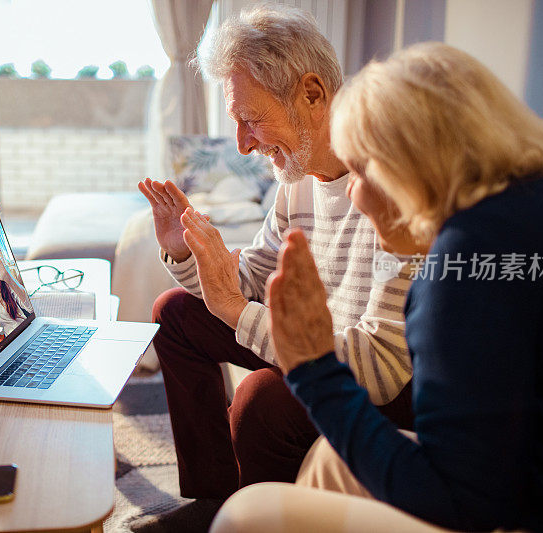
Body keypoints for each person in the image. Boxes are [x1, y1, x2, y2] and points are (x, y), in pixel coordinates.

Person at [212, 42, 543, 532]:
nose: (349, 190)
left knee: (247, 516)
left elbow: (459, 501)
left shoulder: (461, 266)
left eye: (358, 169)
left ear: (405, 167)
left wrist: (313, 367)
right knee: (331, 461)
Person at [133, 5, 416, 530]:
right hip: (313, 342)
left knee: (261, 398)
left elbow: (379, 370)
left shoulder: (394, 187)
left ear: (312, 94)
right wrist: (186, 252)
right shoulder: (297, 178)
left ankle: (271, 518)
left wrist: (239, 312)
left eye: (250, 119)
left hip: (389, 382)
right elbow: (247, 281)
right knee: (174, 313)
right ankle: (214, 502)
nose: (242, 143)